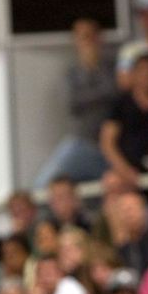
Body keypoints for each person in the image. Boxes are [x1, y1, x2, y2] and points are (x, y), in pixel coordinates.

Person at [35, 18, 119, 188]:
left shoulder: (112, 66)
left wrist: (94, 69)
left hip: (112, 147)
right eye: (82, 37)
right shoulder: (71, 73)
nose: (87, 43)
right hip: (82, 142)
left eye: (90, 36)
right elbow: (72, 103)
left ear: (99, 39)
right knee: (42, 185)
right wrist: (93, 81)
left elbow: (115, 92)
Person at [101, 53, 148, 187]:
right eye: (142, 71)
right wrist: (123, 169)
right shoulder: (121, 104)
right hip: (128, 168)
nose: (147, 75)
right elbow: (107, 142)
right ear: (133, 74)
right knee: (112, 181)